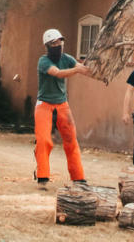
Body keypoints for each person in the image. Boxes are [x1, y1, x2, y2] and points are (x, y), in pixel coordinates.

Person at [34, 28, 93, 187]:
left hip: (62, 104)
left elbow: (84, 70)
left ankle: (78, 177)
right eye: (54, 43)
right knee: (44, 141)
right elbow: (58, 73)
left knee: (71, 140)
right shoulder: (43, 61)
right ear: (47, 45)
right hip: (44, 104)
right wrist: (77, 69)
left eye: (60, 42)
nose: (58, 45)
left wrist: (101, 73)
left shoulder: (67, 58)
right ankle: (42, 177)